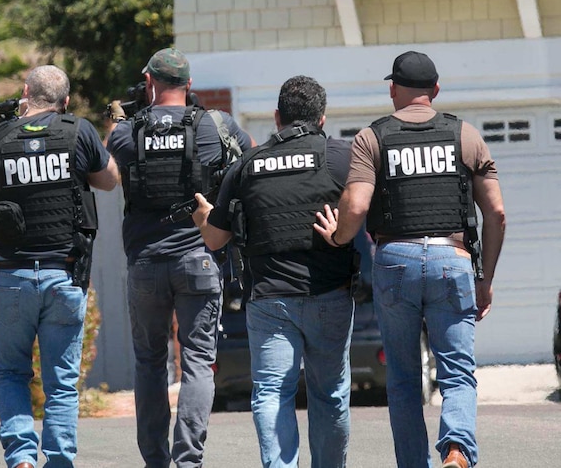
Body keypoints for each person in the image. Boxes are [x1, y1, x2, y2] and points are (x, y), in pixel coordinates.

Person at [313, 51, 506, 468]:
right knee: (457, 371)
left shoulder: (373, 137)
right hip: (452, 258)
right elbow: (497, 212)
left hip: (395, 259)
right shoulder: (465, 135)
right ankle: (456, 449)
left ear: (393, 90)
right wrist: (485, 278)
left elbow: (358, 204)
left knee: (402, 379)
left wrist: (338, 236)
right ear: (435, 91)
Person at [0, 64, 119, 468]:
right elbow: (110, 179)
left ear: (25, 91)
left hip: (10, 276)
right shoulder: (78, 131)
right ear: (64, 101)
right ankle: (60, 460)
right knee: (61, 382)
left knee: (11, 372)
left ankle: (22, 460)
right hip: (63, 273)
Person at [192, 75, 356, 468]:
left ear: (277, 117)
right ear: (322, 117)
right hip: (329, 293)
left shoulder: (247, 164)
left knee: (270, 393)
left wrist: (201, 217)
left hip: (269, 300)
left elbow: (214, 240)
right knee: (330, 393)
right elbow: (365, 207)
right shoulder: (341, 156)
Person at [105, 47, 255, 468]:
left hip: (146, 263)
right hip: (199, 258)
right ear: (189, 85)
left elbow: (105, 166)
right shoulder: (214, 125)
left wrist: (122, 116)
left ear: (150, 82)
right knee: (198, 361)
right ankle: (188, 460)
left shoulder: (126, 131)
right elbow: (251, 159)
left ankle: (155, 460)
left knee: (150, 363)